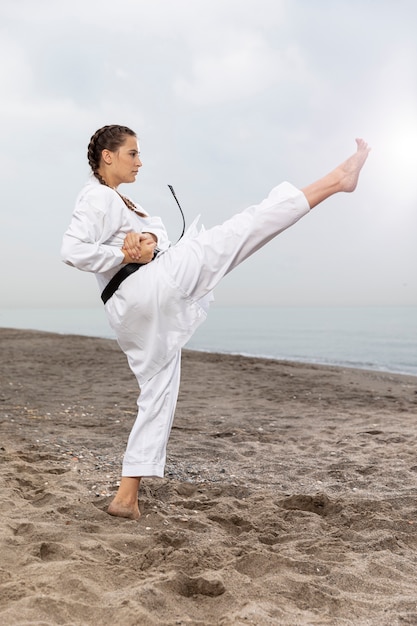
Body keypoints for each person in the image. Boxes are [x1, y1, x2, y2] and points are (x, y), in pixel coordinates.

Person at [61, 124, 370, 520]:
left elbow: (156, 229)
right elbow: (72, 249)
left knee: (158, 394)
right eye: (132, 153)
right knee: (236, 233)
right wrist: (125, 257)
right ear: (108, 156)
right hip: (145, 287)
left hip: (132, 307)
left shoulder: (120, 201)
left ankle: (126, 498)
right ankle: (337, 180)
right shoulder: (97, 196)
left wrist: (149, 240)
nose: (140, 161)